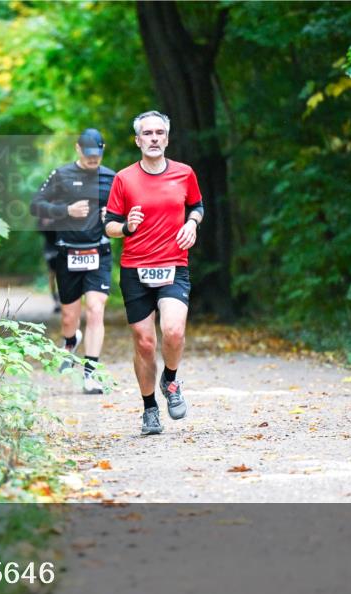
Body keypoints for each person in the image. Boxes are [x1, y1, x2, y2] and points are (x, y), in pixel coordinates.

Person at [103, 111, 204, 434]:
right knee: (145, 342)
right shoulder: (124, 178)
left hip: (174, 264)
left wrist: (192, 223)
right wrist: (127, 227)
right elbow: (109, 226)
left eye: (160, 133)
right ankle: (149, 410)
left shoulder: (184, 174)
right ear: (138, 141)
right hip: (135, 269)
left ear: (167, 139)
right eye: (148, 133)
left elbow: (197, 206)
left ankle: (170, 381)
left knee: (173, 332)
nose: (154, 138)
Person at [30, 129, 116, 394]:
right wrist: (65, 210)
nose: (93, 159)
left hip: (99, 252)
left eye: (98, 155)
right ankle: (71, 340)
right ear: (78, 149)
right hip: (68, 252)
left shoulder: (111, 177)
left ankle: (91, 374)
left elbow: (126, 211)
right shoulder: (61, 175)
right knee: (70, 317)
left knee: (96, 309)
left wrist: (112, 214)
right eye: (89, 154)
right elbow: (36, 205)